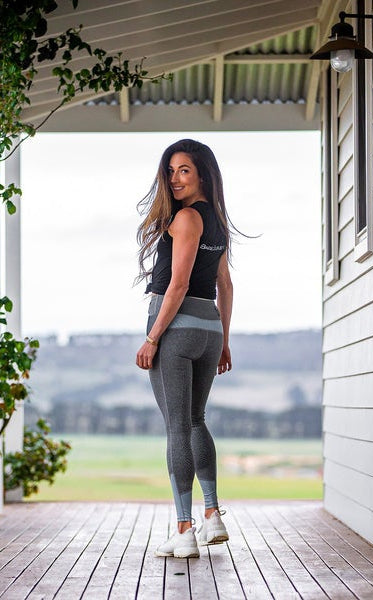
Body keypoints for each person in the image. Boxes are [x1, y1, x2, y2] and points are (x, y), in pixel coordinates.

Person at [135, 139, 236, 559]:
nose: (175, 179)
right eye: (171, 170)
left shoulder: (187, 220)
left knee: (178, 427)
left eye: (185, 171)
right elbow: (224, 286)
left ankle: (183, 530)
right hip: (209, 329)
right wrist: (224, 340)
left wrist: (153, 336)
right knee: (196, 420)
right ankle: (212, 516)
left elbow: (176, 285)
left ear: (202, 175)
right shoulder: (217, 222)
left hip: (176, 328)